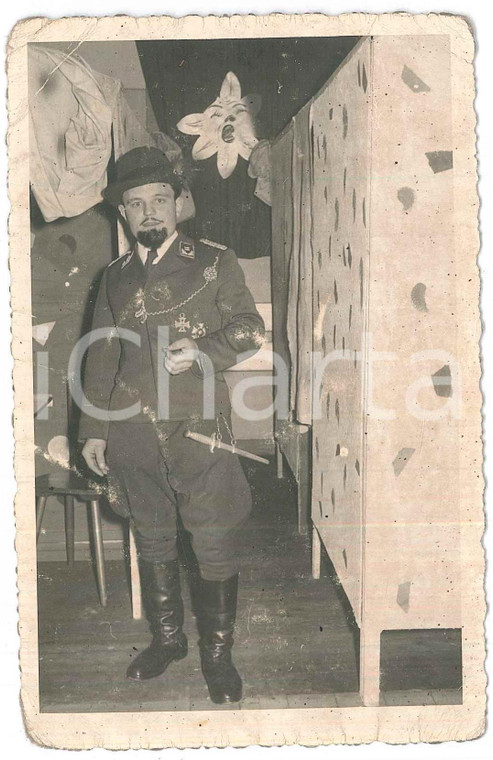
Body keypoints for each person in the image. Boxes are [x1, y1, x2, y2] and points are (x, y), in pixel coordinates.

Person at [78, 146, 265, 704]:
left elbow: (251, 330)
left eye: (159, 199)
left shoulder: (214, 260)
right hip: (132, 433)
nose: (149, 212)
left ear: (179, 203)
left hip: (199, 429)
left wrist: (205, 347)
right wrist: (93, 428)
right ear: (124, 215)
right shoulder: (112, 277)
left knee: (211, 541)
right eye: (136, 204)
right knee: (153, 535)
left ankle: (217, 656)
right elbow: (100, 357)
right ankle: (168, 641)